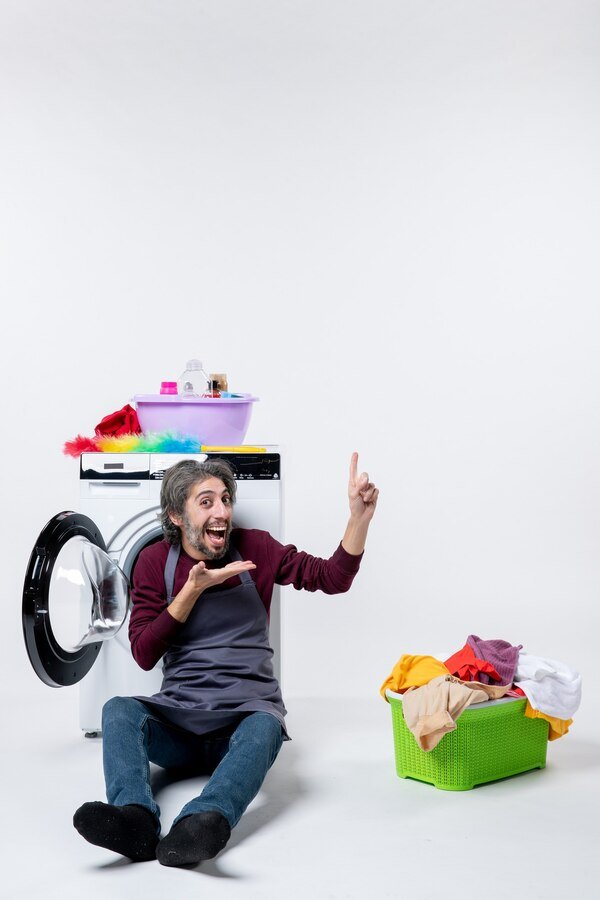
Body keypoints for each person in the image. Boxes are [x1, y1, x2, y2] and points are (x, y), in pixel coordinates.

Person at [73, 452, 378, 866]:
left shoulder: (257, 548)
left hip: (242, 722)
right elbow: (144, 653)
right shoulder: (153, 563)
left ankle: (203, 821)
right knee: (118, 710)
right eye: (207, 502)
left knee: (266, 726)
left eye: (225, 499)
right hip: (178, 721)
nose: (222, 511)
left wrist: (358, 518)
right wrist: (191, 590)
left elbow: (332, 578)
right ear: (177, 516)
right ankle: (136, 821)